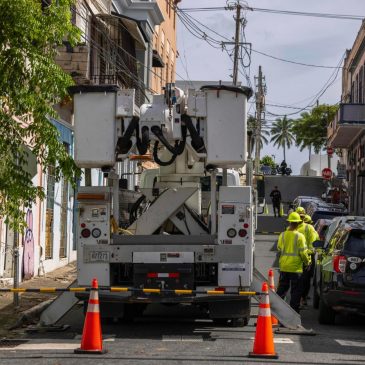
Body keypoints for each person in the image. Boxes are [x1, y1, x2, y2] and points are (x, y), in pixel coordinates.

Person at [276, 212, 311, 313]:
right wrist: (307, 262)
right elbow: (303, 253)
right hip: (296, 268)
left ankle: (277, 309)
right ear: (298, 223)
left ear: (289, 222)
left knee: (282, 289)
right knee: (296, 291)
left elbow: (279, 248)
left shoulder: (282, 235)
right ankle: (293, 311)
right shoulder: (300, 236)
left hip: (284, 266)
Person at [295, 207, 317, 306]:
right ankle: (301, 298)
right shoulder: (309, 228)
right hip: (304, 256)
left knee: (301, 279)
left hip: (302, 256)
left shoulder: (297, 228)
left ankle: (300, 298)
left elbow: (312, 244)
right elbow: (314, 242)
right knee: (304, 279)